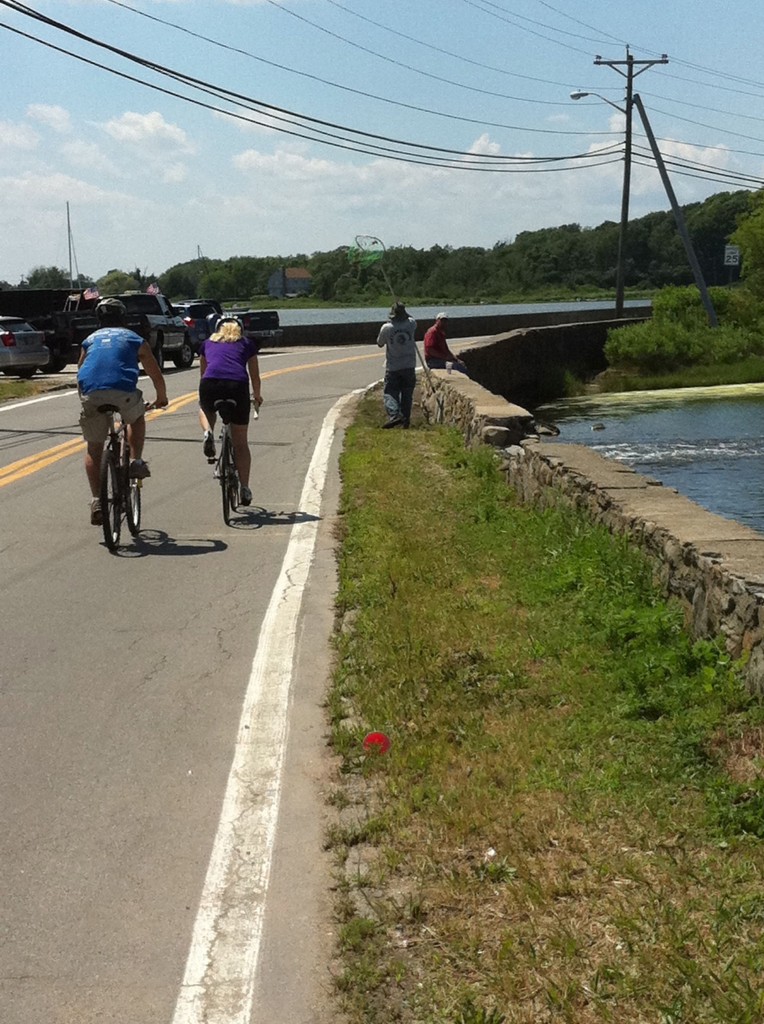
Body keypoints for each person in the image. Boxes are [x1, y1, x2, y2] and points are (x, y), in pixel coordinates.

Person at [77, 297, 168, 526]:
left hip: (91, 393)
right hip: (123, 392)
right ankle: (136, 461)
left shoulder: (89, 340)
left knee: (94, 447)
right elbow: (154, 372)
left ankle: (97, 500)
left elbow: (80, 370)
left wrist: (85, 399)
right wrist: (161, 397)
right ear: (123, 317)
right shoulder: (134, 338)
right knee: (136, 416)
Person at [197, 315, 262, 506]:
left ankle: (208, 431)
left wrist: (208, 392)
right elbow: (255, 376)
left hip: (211, 383)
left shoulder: (207, 343)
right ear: (240, 330)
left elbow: (203, 373)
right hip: (237, 385)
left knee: (204, 408)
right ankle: (245, 488)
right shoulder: (246, 344)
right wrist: (256, 396)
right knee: (241, 443)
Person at [376, 301, 418, 428]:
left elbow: (379, 343)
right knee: (407, 395)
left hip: (393, 367)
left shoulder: (387, 328)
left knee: (390, 392)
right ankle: (405, 421)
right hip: (409, 366)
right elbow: (410, 318)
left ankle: (394, 415)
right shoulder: (411, 324)